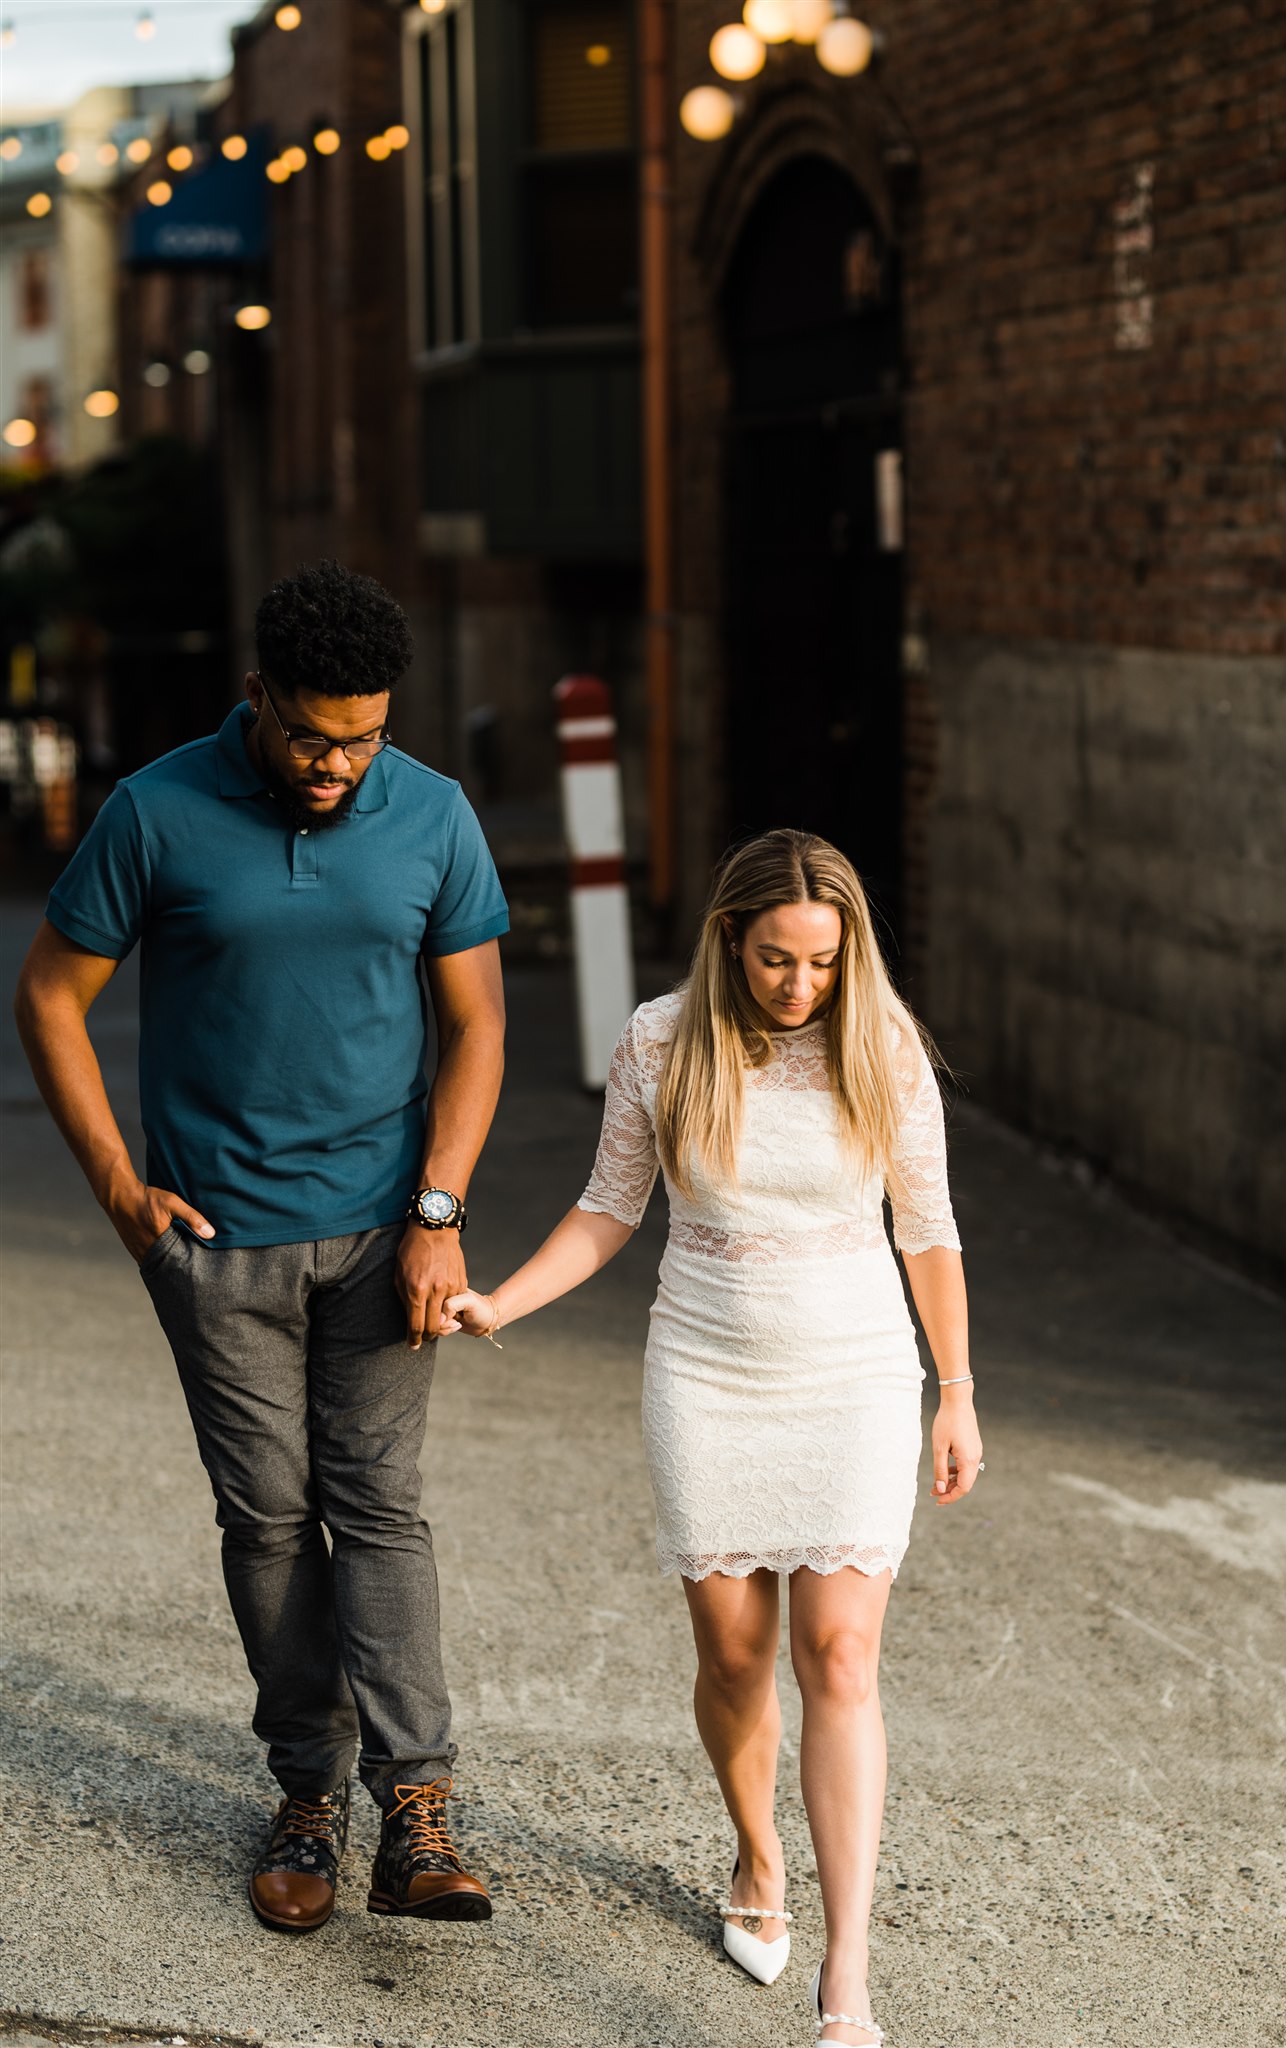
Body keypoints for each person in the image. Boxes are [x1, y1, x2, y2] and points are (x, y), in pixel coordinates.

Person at [13, 560, 509, 1935]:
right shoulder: (157, 810)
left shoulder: (433, 813)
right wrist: (120, 1191)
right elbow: (50, 997)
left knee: (380, 1504)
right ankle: (307, 1789)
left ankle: (417, 1808)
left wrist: (438, 1214)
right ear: (256, 699)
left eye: (363, 735)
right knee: (271, 1519)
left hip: (381, 1240)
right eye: (309, 734)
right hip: (215, 1243)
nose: (337, 762)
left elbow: (475, 1025)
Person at [444, 829, 983, 2046]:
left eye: (823, 963)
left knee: (839, 1656)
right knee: (736, 1658)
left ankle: (846, 1973)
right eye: (775, 960)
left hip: (851, 1371)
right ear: (728, 939)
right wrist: (501, 1299)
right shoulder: (657, 1038)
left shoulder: (882, 1047)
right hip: (706, 1370)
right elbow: (607, 1207)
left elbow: (929, 1230)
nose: (800, 988)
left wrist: (954, 1390)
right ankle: (756, 1852)